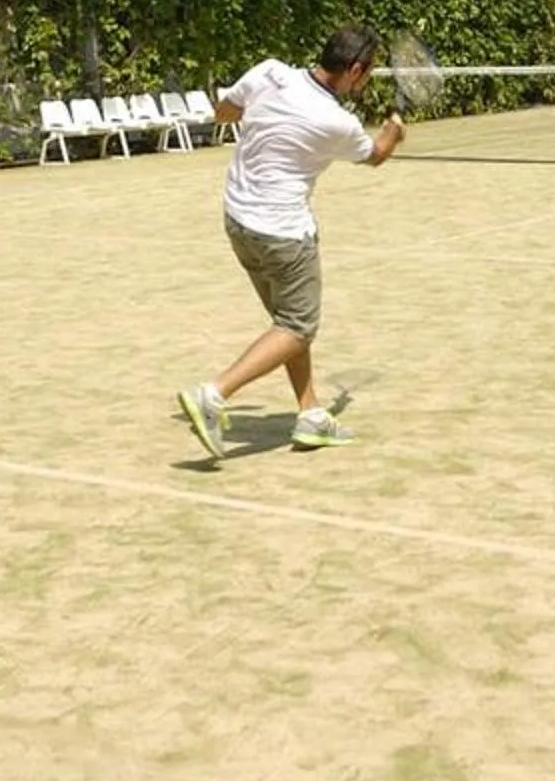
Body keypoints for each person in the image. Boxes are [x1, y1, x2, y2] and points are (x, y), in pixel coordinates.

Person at [174, 26, 406, 459]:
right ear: (354, 70)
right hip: (283, 234)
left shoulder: (270, 72)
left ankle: (311, 414)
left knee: (286, 324)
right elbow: (375, 155)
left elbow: (224, 112)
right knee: (297, 328)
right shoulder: (338, 122)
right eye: (367, 73)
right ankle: (214, 393)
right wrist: (393, 132)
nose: (367, 81)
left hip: (238, 221)